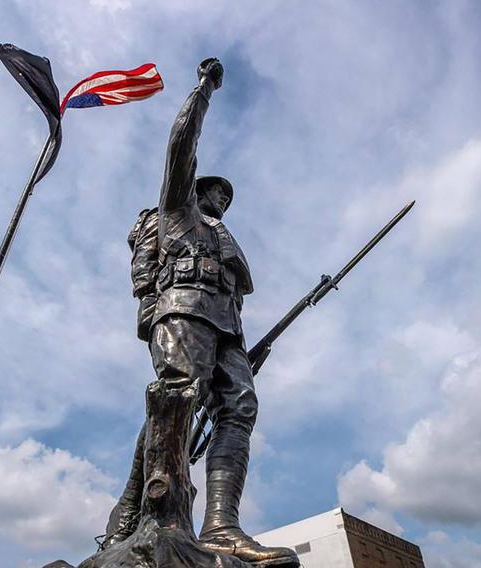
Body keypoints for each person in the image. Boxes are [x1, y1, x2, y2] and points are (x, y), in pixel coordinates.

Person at [103, 58, 299, 568]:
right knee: (177, 398)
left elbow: (234, 291)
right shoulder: (177, 211)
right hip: (184, 310)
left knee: (241, 407)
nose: (222, 197)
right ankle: (153, 513)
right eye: (217, 190)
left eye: (226, 195)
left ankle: (222, 527)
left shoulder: (224, 237)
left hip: (227, 328)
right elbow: (180, 148)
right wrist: (204, 91)